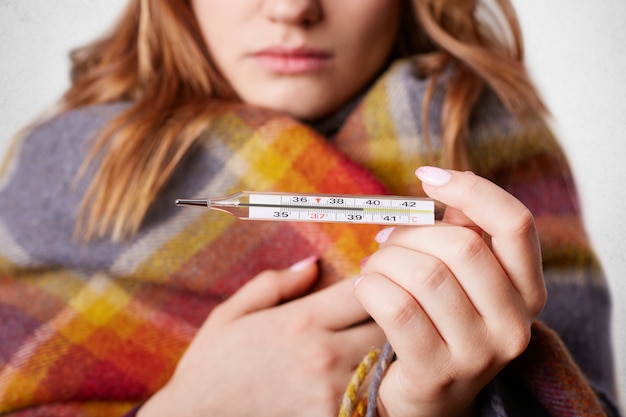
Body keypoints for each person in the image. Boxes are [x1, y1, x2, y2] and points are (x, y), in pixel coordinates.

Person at [0, 0, 621, 416]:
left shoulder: (505, 157)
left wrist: (425, 406)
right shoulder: (59, 175)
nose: (292, 10)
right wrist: (186, 408)